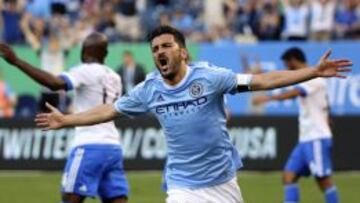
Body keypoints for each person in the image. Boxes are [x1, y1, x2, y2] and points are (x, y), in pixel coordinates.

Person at [34, 26, 351, 203]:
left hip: (224, 183)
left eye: (166, 46)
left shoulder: (210, 78)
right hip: (183, 187)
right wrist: (66, 119)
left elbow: (263, 81)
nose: (159, 52)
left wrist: (313, 72)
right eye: (155, 48)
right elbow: (109, 110)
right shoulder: (150, 89)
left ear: (182, 51)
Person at [0, 33, 128, 203]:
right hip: (113, 147)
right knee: (116, 199)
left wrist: (17, 61)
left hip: (89, 145)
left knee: (70, 198)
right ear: (105, 53)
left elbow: (55, 84)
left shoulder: (84, 70)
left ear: (85, 51)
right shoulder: (115, 77)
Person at [252, 47, 339, 203]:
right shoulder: (312, 78)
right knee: (288, 176)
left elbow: (295, 93)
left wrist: (267, 99)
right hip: (306, 139)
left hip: (316, 137)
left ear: (293, 60)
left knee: (323, 180)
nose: (286, 68)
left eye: (287, 64)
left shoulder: (314, 77)